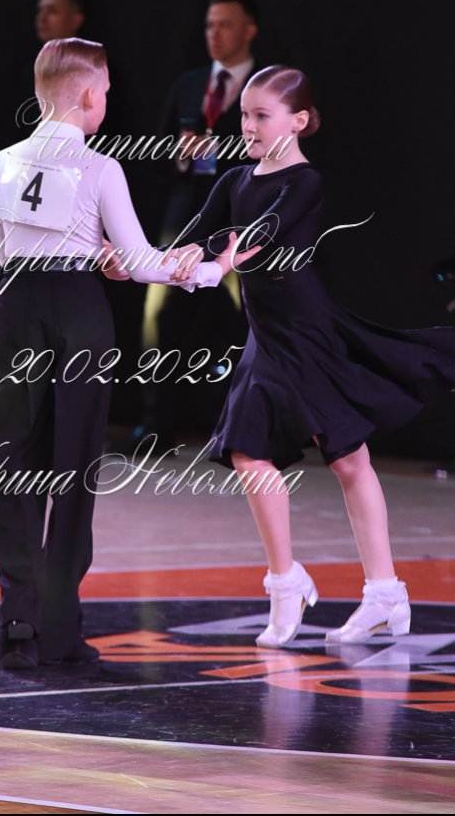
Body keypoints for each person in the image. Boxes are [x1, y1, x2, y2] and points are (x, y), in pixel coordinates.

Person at [163, 66, 455, 647]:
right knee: (248, 453)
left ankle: (383, 591)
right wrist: (142, 259)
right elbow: (192, 235)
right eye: (244, 115)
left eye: (261, 116)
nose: (248, 126)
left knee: (347, 459)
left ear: (297, 121)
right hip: (266, 335)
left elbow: (265, 231)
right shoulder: (234, 179)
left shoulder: (305, 181)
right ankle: (286, 581)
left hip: (307, 331)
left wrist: (218, 264)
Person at [0, 37, 230, 671]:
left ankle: (19, 623)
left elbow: (7, 246)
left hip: (17, 306)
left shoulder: (5, 159)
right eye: (107, 92)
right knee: (73, 464)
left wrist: (86, 251)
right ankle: (60, 627)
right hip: (79, 313)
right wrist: (209, 270)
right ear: (91, 94)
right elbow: (143, 262)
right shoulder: (100, 167)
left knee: (10, 460)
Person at [135, 0, 260, 448]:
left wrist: (221, 150)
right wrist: (182, 155)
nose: (214, 34)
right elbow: (157, 155)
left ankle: (250, 426)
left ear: (249, 30)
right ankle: (155, 424)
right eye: (209, 25)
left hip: (241, 214)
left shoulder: (265, 86)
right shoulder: (188, 84)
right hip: (186, 215)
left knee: (250, 313)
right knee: (157, 311)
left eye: (225, 24)